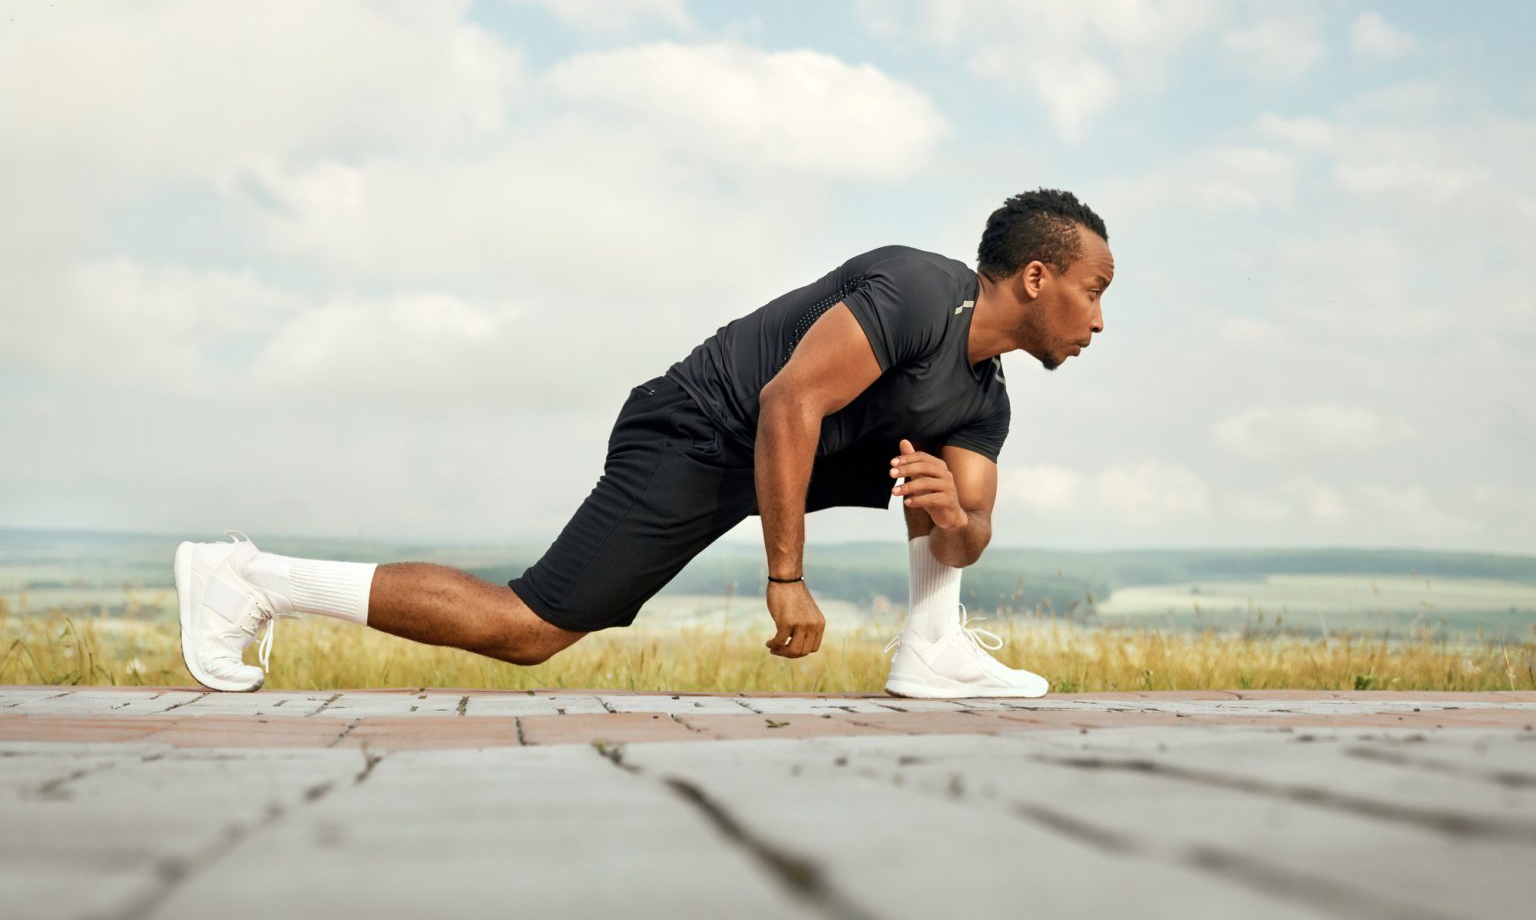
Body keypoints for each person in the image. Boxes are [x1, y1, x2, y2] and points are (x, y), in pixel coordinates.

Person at [174, 188, 1113, 697]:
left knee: (947, 476)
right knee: (530, 628)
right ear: (1035, 277)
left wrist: (950, 515)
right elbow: (789, 402)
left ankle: (931, 646)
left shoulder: (984, 398)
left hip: (788, 452)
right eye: (1094, 289)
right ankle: (248, 578)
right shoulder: (917, 290)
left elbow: (970, 531)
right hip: (703, 426)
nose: (1099, 320)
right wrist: (785, 576)